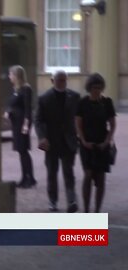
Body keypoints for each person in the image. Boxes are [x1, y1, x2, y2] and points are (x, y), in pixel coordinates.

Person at [35, 70, 80, 213]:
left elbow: (80, 117)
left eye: (64, 80)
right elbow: (38, 120)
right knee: (52, 173)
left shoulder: (74, 96)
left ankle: (71, 200)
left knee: (69, 172)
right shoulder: (44, 98)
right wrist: (42, 137)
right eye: (59, 80)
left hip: (68, 141)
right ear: (52, 80)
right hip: (51, 142)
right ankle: (53, 201)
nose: (62, 82)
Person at [76, 73, 116, 213]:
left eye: (99, 87)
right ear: (89, 88)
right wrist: (83, 140)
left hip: (102, 144)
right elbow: (78, 124)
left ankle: (97, 210)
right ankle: (86, 210)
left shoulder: (107, 103)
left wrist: (107, 141)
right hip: (86, 144)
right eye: (94, 87)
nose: (97, 90)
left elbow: (112, 125)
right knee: (88, 174)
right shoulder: (83, 103)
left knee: (101, 176)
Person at [6, 65, 37, 188]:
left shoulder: (26, 89)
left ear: (16, 76)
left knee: (24, 151)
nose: (9, 77)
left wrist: (26, 125)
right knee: (21, 151)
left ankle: (30, 178)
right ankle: (25, 177)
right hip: (15, 124)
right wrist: (9, 111)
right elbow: (13, 104)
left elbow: (28, 109)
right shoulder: (16, 89)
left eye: (11, 74)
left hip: (22, 124)